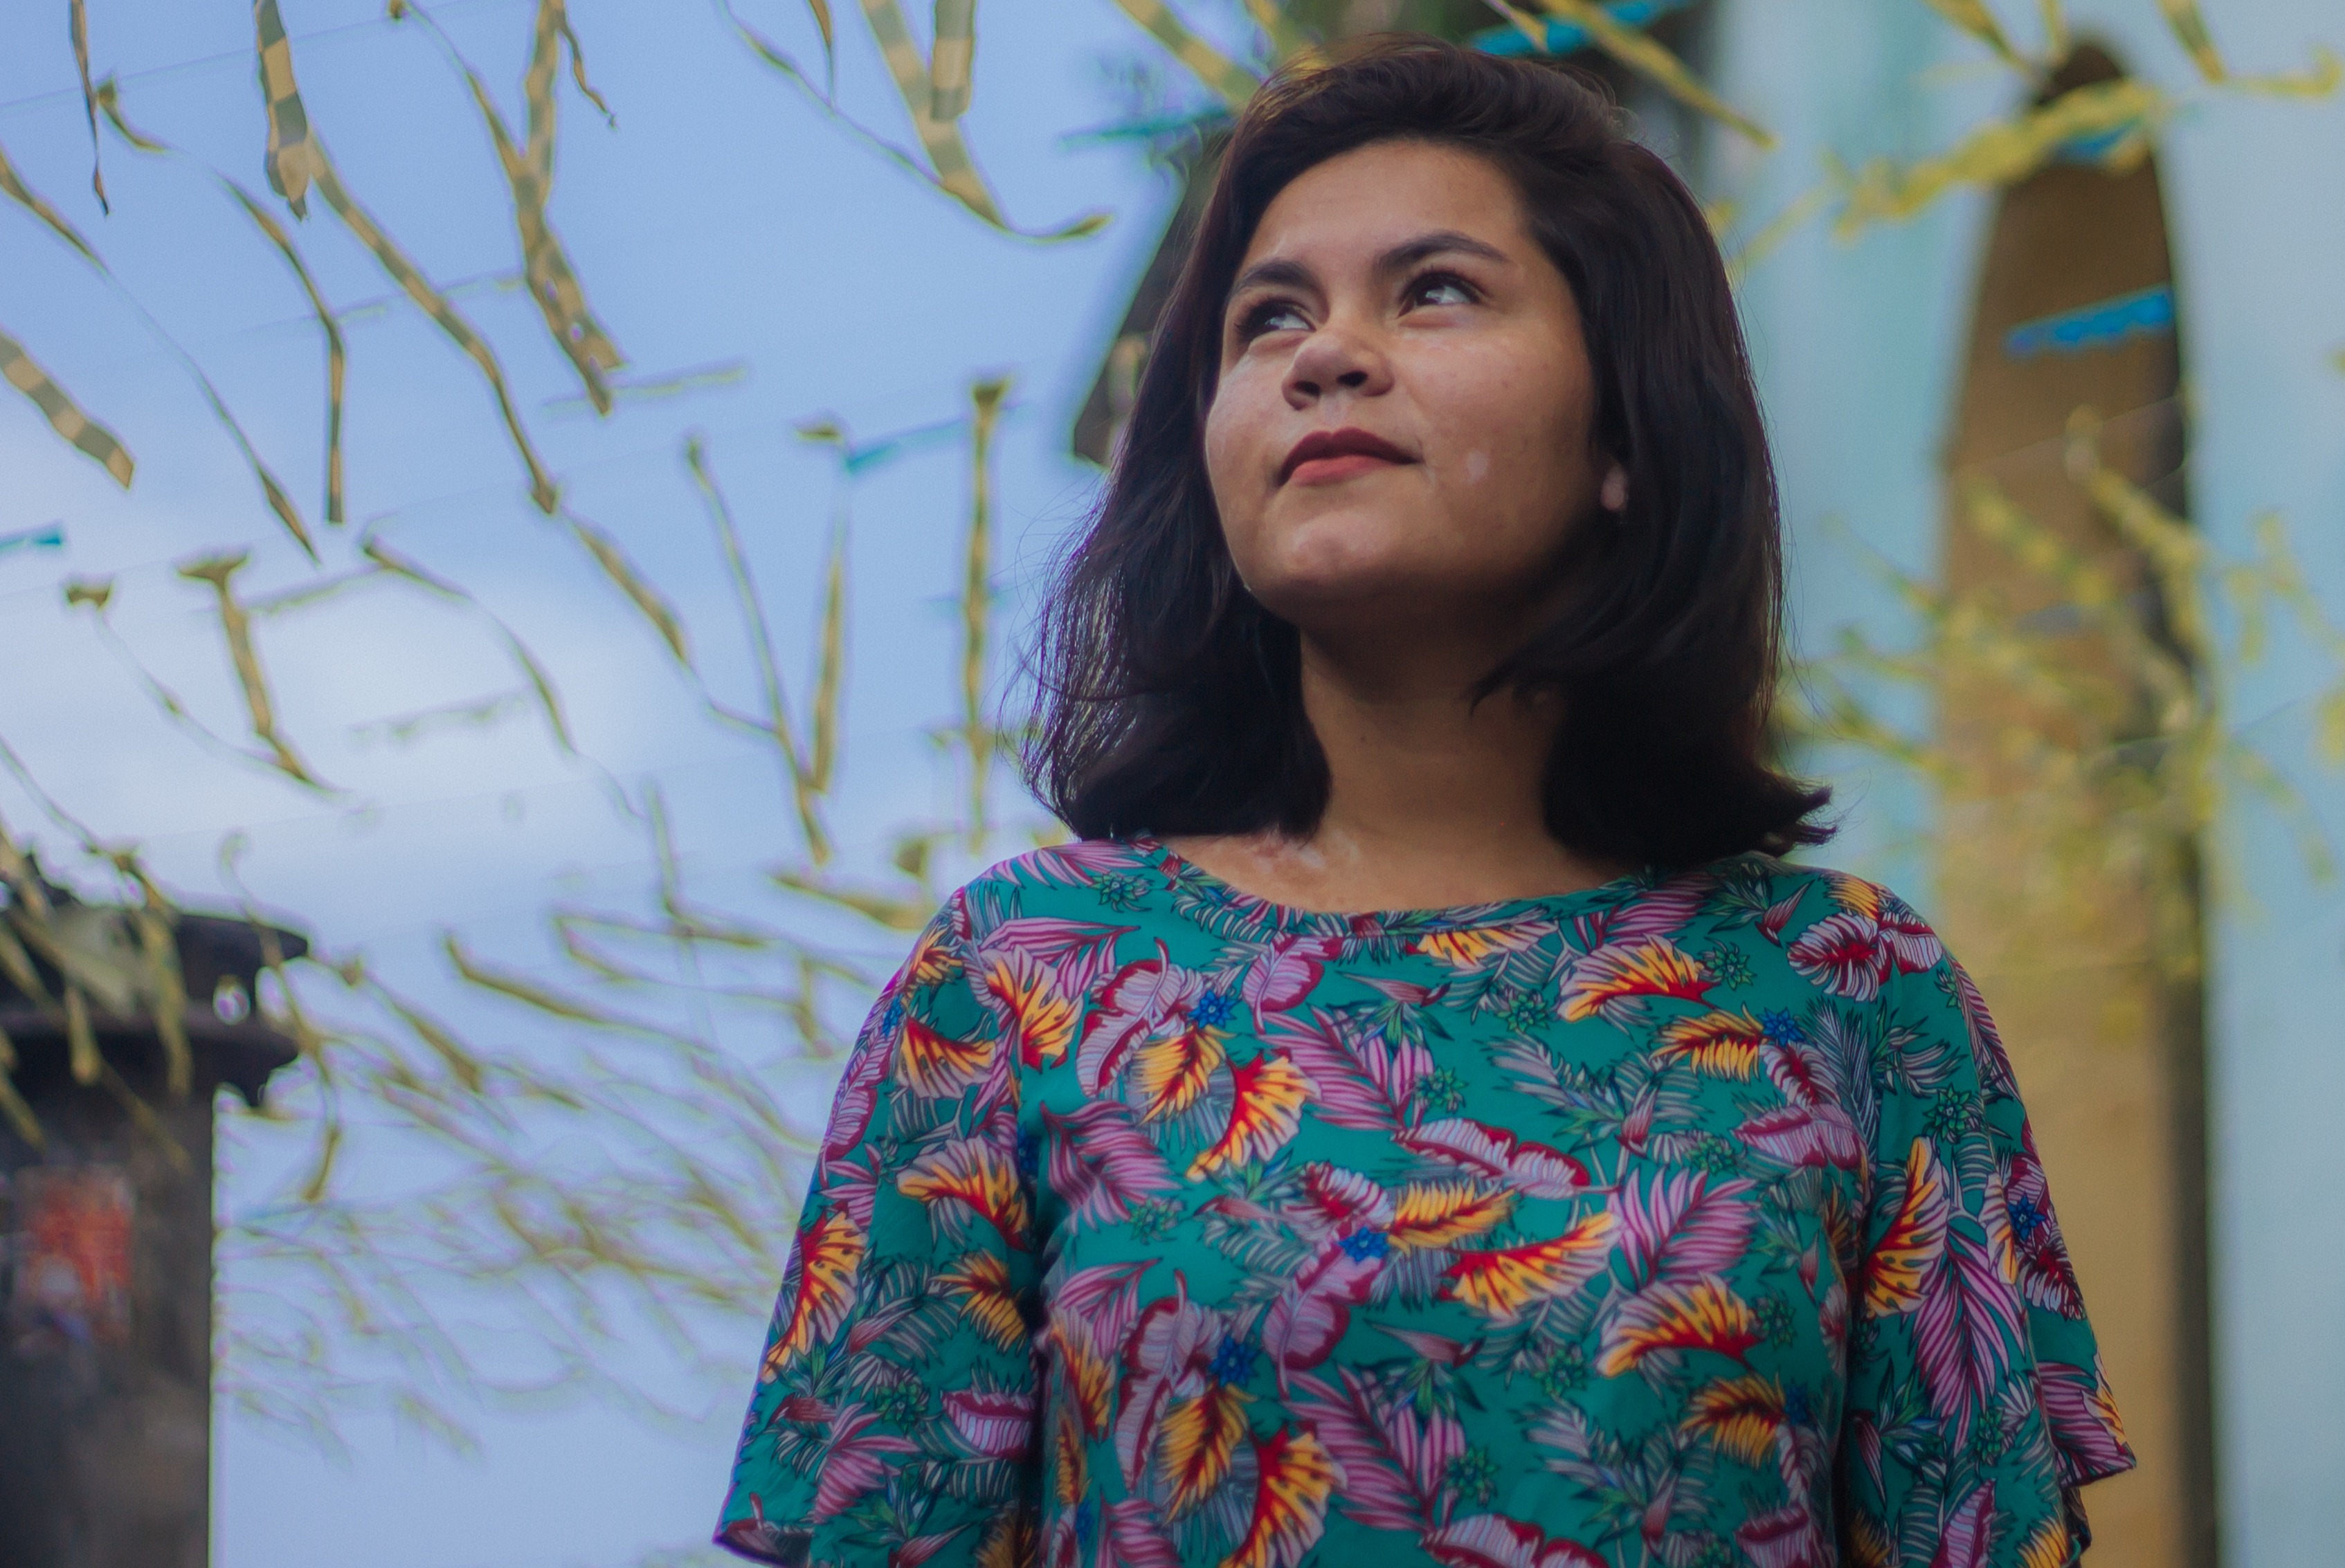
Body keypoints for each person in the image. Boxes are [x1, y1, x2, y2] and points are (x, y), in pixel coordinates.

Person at [714, 39, 2132, 1568]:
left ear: (1622, 435)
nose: (1326, 354)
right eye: (1271, 318)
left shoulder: (1848, 988)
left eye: (1436, 289)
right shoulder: (1022, 977)